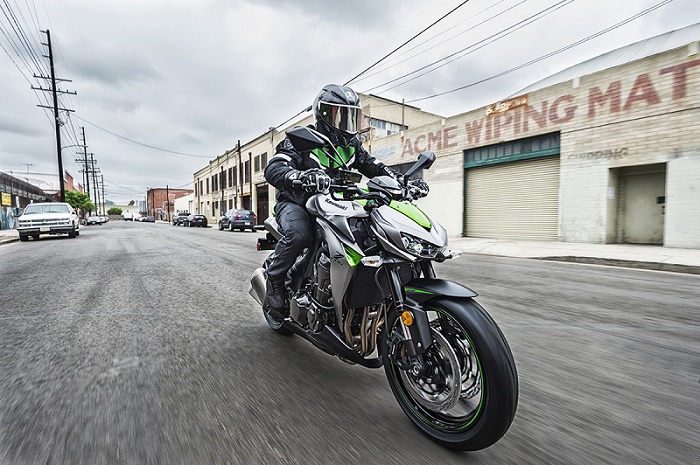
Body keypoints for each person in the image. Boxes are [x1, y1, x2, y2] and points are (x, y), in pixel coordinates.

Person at [263, 84, 429, 320]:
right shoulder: (302, 140)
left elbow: (374, 166)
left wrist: (402, 181)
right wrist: (299, 176)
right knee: (300, 234)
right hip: (297, 202)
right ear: (322, 115)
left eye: (351, 116)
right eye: (339, 115)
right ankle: (275, 279)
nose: (345, 123)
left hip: (335, 203)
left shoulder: (352, 145)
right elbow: (275, 167)